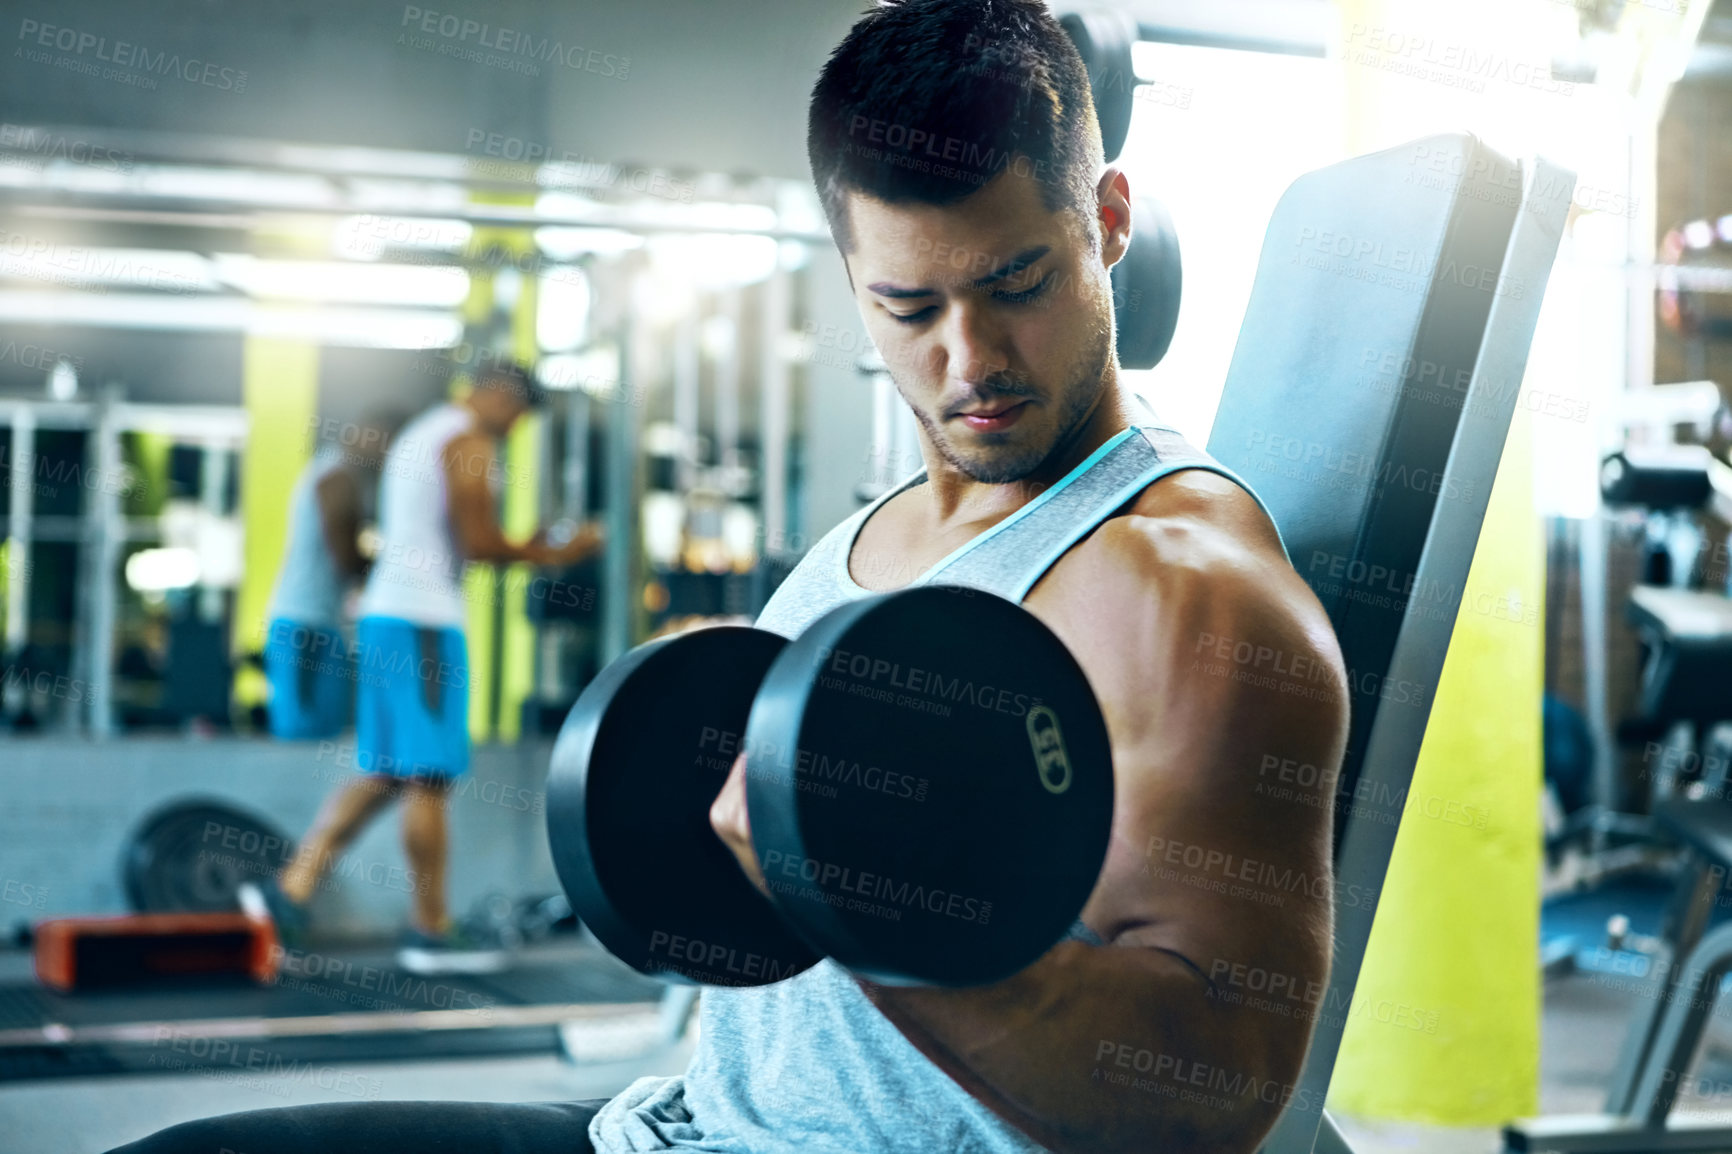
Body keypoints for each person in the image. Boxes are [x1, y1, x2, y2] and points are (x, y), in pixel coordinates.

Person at [113, 3, 1346, 1151]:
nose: (969, 359)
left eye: (1015, 283)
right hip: (681, 1120)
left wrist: (857, 899)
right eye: (908, 304)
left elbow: (1213, 1087)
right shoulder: (870, 535)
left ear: (1110, 221)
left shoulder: (1185, 593)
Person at [245, 361, 602, 971]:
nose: (512, 431)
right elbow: (480, 542)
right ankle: (429, 932)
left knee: (387, 770)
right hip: (423, 624)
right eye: (515, 417)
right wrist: (558, 551)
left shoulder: (425, 432)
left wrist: (528, 543)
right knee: (430, 777)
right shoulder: (465, 440)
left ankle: (290, 889)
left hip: (389, 617)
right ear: (497, 395)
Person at [259, 417, 391, 741]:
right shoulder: (337, 477)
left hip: (318, 622)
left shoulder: (338, 475)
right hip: (303, 624)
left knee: (322, 736)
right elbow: (346, 556)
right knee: (301, 736)